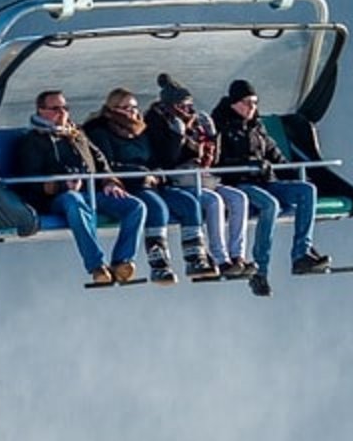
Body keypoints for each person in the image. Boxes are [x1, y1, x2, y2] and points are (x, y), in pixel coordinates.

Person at [13, 89, 148, 287]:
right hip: (58, 198)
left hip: (91, 192)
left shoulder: (76, 134)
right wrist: (61, 185)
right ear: (41, 111)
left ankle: (122, 262)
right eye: (55, 108)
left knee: (135, 206)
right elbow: (31, 178)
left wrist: (110, 182)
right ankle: (96, 266)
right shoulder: (33, 141)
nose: (62, 113)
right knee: (74, 202)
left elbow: (100, 160)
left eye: (65, 108)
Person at [81, 88, 212, 285]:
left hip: (151, 183)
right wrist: (141, 173)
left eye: (134, 107)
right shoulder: (101, 131)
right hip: (129, 184)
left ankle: (196, 259)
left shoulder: (141, 130)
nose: (132, 112)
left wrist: (158, 169)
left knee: (188, 203)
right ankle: (159, 264)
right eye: (126, 108)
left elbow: (157, 158)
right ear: (113, 109)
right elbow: (107, 164)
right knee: (156, 208)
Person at [213, 79, 330, 297]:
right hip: (241, 183)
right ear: (234, 103)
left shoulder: (257, 127)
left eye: (255, 103)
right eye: (247, 102)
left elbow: (275, 155)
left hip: (267, 181)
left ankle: (301, 254)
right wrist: (248, 163)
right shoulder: (222, 126)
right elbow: (217, 163)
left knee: (306, 191)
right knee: (270, 206)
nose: (252, 108)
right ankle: (260, 269)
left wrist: (295, 175)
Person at [144, 73, 251, 282]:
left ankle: (238, 255)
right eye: (183, 106)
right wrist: (177, 136)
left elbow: (213, 159)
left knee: (239, 198)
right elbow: (167, 160)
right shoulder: (158, 122)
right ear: (171, 106)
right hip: (181, 181)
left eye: (189, 105)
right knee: (213, 202)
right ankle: (220, 259)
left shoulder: (196, 124)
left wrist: (213, 136)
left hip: (204, 178)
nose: (188, 110)